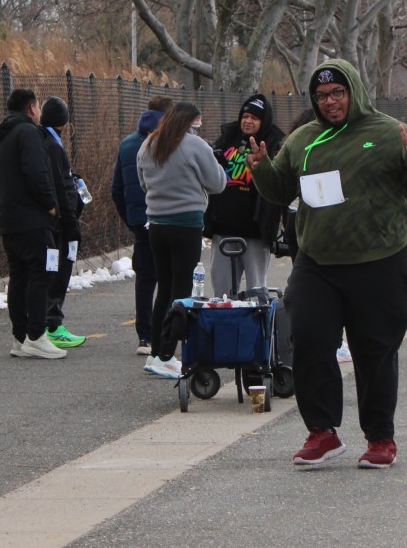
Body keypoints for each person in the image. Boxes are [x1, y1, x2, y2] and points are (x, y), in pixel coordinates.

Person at [248, 57, 407, 469]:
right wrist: (262, 169)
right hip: (317, 261)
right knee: (308, 339)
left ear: (354, 91)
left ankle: (380, 437)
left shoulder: (389, 132)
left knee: (374, 350)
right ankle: (322, 432)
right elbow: (280, 189)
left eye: (338, 93)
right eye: (321, 95)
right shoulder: (303, 138)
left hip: (381, 260)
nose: (330, 102)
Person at [137, 101, 227, 378]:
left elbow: (143, 183)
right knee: (181, 291)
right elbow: (218, 183)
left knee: (164, 289)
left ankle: (156, 352)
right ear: (192, 122)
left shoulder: (149, 144)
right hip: (186, 223)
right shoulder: (195, 146)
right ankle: (167, 354)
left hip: (156, 224)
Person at [0, 87, 63, 360]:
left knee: (19, 276)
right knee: (42, 272)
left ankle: (20, 337)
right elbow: (36, 172)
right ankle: (36, 335)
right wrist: (50, 204)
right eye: (38, 107)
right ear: (32, 108)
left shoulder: (1, 137)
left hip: (9, 219)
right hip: (33, 219)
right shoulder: (29, 133)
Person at [110, 94, 174, 354]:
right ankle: (169, 332)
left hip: (141, 221)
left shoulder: (127, 144)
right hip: (168, 218)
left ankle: (145, 336)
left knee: (145, 279)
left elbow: (116, 189)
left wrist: (132, 218)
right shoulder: (169, 143)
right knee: (172, 278)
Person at [205, 93, 286, 296]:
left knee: (256, 293)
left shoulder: (273, 144)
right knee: (222, 293)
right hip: (224, 227)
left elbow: (280, 185)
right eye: (245, 116)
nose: (248, 121)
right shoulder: (227, 138)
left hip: (256, 231)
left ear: (263, 121)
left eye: (254, 118)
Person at [39, 96, 86, 347]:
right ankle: (53, 324)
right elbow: (59, 185)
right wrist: (71, 222)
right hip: (60, 223)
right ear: (64, 123)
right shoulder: (53, 147)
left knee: (51, 271)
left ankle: (46, 322)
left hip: (52, 221)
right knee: (58, 273)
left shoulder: (43, 141)